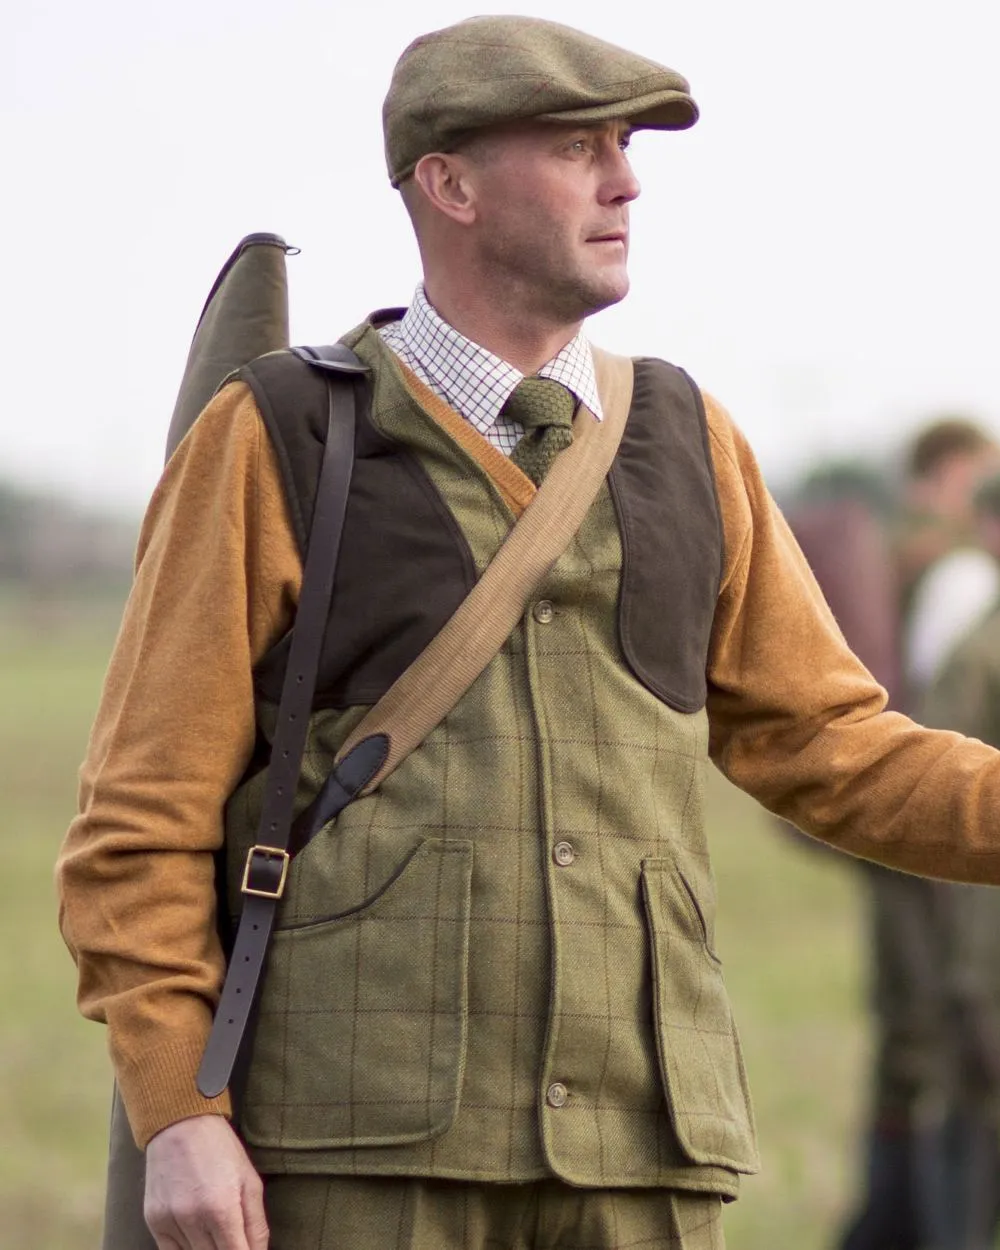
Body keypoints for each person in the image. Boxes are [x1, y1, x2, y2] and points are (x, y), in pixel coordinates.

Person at [54, 16, 1000, 1250]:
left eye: (622, 147)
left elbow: (836, 746)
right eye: (575, 147)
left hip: (637, 1153)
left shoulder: (688, 437)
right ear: (447, 183)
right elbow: (141, 814)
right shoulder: (279, 435)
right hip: (354, 1157)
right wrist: (179, 1104)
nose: (626, 181)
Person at [837, 419, 1000, 1250]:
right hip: (947, 880)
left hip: (927, 868)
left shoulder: (930, 575)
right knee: (946, 1074)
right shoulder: (960, 588)